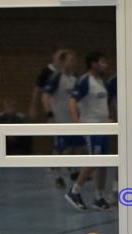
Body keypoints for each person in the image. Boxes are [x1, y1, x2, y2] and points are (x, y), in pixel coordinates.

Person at [65, 51, 112, 211]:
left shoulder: (100, 81)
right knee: (95, 159)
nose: (106, 65)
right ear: (94, 64)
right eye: (102, 62)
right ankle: (74, 190)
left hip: (103, 126)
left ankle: (99, 197)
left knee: (104, 162)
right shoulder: (85, 80)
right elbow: (72, 100)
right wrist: (77, 122)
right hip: (92, 127)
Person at [41, 49, 86, 189]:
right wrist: (49, 114)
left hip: (73, 120)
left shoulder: (76, 78)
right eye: (70, 60)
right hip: (60, 120)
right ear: (63, 62)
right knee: (59, 148)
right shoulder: (56, 77)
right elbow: (45, 96)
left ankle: (73, 171)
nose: (73, 62)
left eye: (74, 60)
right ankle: (57, 176)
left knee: (75, 147)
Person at [28, 47, 63, 122]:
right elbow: (37, 89)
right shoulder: (47, 71)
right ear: (54, 56)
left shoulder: (66, 73)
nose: (61, 58)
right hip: (50, 107)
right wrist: (33, 107)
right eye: (59, 55)